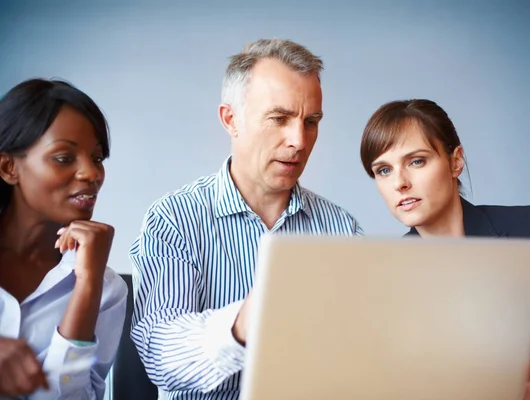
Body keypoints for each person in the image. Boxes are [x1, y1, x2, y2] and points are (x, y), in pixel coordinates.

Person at [129, 38, 362, 399]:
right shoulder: (173, 219)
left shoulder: (341, 229)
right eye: (279, 119)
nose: (299, 140)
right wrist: (240, 326)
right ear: (230, 119)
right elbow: (161, 356)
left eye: (311, 122)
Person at [359, 98, 530, 400]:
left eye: (416, 161)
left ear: (455, 161)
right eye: (383, 170)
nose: (399, 183)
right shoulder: (387, 278)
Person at [0, 78, 127, 399]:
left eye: (97, 158)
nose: (91, 173)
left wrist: (87, 284)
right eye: (64, 158)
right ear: (8, 167)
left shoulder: (107, 288)